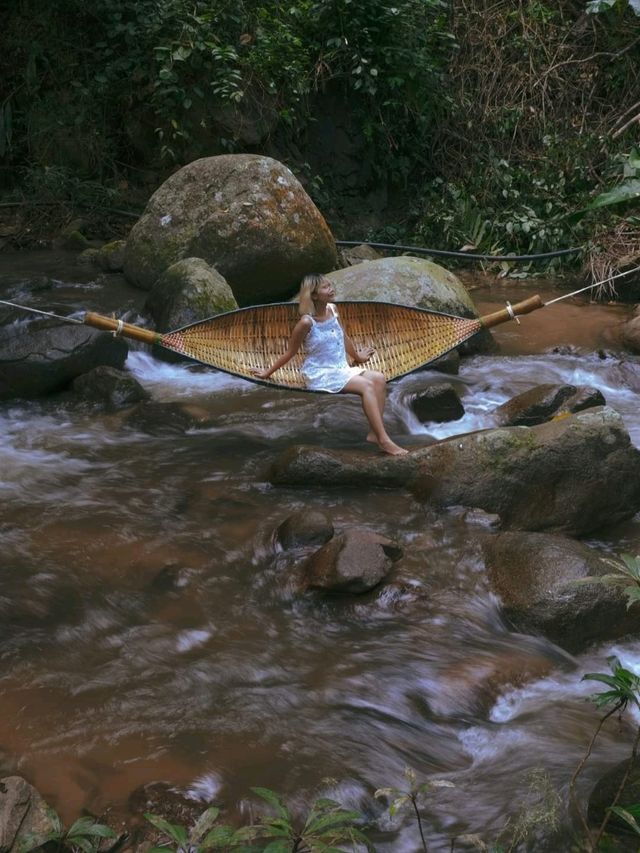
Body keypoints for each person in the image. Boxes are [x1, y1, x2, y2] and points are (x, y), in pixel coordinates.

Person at [252, 273, 408, 456]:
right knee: (367, 386)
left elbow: (343, 336)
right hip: (320, 373)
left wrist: (358, 356)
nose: (331, 289)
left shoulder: (333, 309)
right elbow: (290, 352)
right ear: (314, 295)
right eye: (326, 287)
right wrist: (266, 373)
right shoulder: (306, 322)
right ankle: (384, 440)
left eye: (330, 285)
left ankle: (374, 433)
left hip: (341, 368)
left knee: (379, 378)